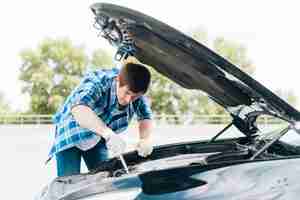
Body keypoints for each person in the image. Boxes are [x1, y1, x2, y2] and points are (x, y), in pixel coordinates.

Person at [47, 58, 154, 177]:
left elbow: (145, 116)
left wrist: (145, 139)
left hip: (99, 138)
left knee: (104, 177)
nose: (129, 100)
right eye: (127, 93)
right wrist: (108, 134)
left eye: (135, 97)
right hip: (72, 132)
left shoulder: (136, 93)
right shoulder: (97, 81)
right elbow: (79, 108)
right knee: (68, 180)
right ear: (118, 80)